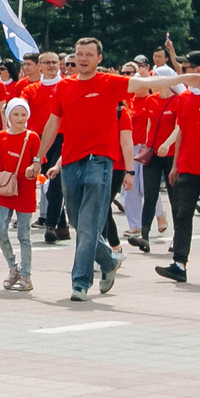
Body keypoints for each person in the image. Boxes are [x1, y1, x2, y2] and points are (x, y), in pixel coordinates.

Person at [135, 54, 200, 285]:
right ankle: (179, 264)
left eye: (187, 68)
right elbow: (181, 130)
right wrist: (175, 165)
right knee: (183, 215)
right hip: (189, 167)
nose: (182, 72)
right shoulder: (184, 98)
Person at [36, 38, 127, 303]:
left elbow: (145, 85)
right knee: (77, 223)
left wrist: (185, 79)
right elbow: (53, 123)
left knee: (87, 227)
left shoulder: (110, 83)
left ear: (99, 58)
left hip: (100, 161)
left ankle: (80, 283)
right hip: (71, 162)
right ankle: (109, 260)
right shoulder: (65, 86)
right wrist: (38, 158)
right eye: (79, 54)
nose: (83, 59)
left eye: (88, 54)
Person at [0, 98, 42, 290]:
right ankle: (13, 267)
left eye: (23, 114)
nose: (20, 118)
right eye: (16, 114)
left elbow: (38, 163)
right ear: (8, 116)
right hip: (5, 189)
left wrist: (33, 169)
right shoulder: (2, 136)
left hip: (25, 191)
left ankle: (26, 276)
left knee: (23, 235)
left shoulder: (32, 137)